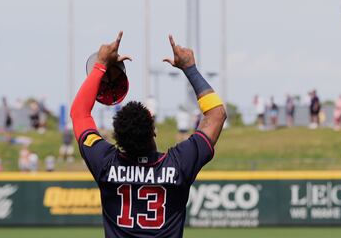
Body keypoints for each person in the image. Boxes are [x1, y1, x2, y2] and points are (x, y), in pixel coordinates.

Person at [70, 32, 226, 238]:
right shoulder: (178, 165)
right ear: (153, 129)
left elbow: (79, 114)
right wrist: (190, 69)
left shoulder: (105, 164)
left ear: (117, 137)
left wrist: (100, 64)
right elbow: (216, 115)